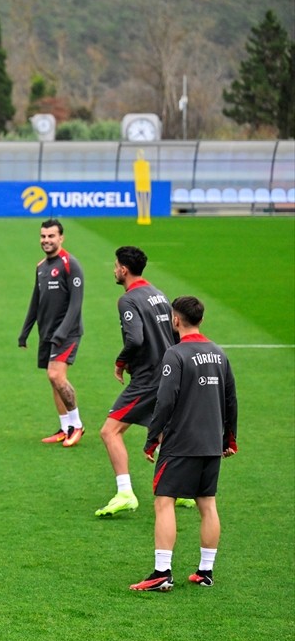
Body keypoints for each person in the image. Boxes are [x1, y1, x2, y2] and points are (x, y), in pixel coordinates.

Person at [130, 296, 237, 592]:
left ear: (175, 320)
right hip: (211, 442)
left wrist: (152, 439)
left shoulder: (175, 354)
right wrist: (230, 439)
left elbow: (165, 400)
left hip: (181, 444)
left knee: (164, 502)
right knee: (207, 503)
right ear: (201, 319)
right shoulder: (219, 354)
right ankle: (205, 571)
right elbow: (230, 400)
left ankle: (162, 572)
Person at [95, 246, 195, 516]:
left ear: (124, 270)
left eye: (116, 265)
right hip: (168, 372)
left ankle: (125, 492)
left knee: (109, 431)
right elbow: (175, 334)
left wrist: (120, 362)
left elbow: (135, 338)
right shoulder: (159, 294)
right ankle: (182, 490)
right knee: (162, 431)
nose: (114, 269)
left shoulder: (128, 300)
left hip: (148, 378)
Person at [18, 218, 86, 447]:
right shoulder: (41, 267)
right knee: (53, 381)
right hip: (46, 333)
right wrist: (25, 331)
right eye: (43, 236)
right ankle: (65, 427)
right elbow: (35, 302)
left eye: (51, 236)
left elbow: (76, 305)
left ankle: (77, 425)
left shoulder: (70, 264)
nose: (46, 240)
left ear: (61, 238)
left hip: (67, 333)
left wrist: (61, 332)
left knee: (56, 376)